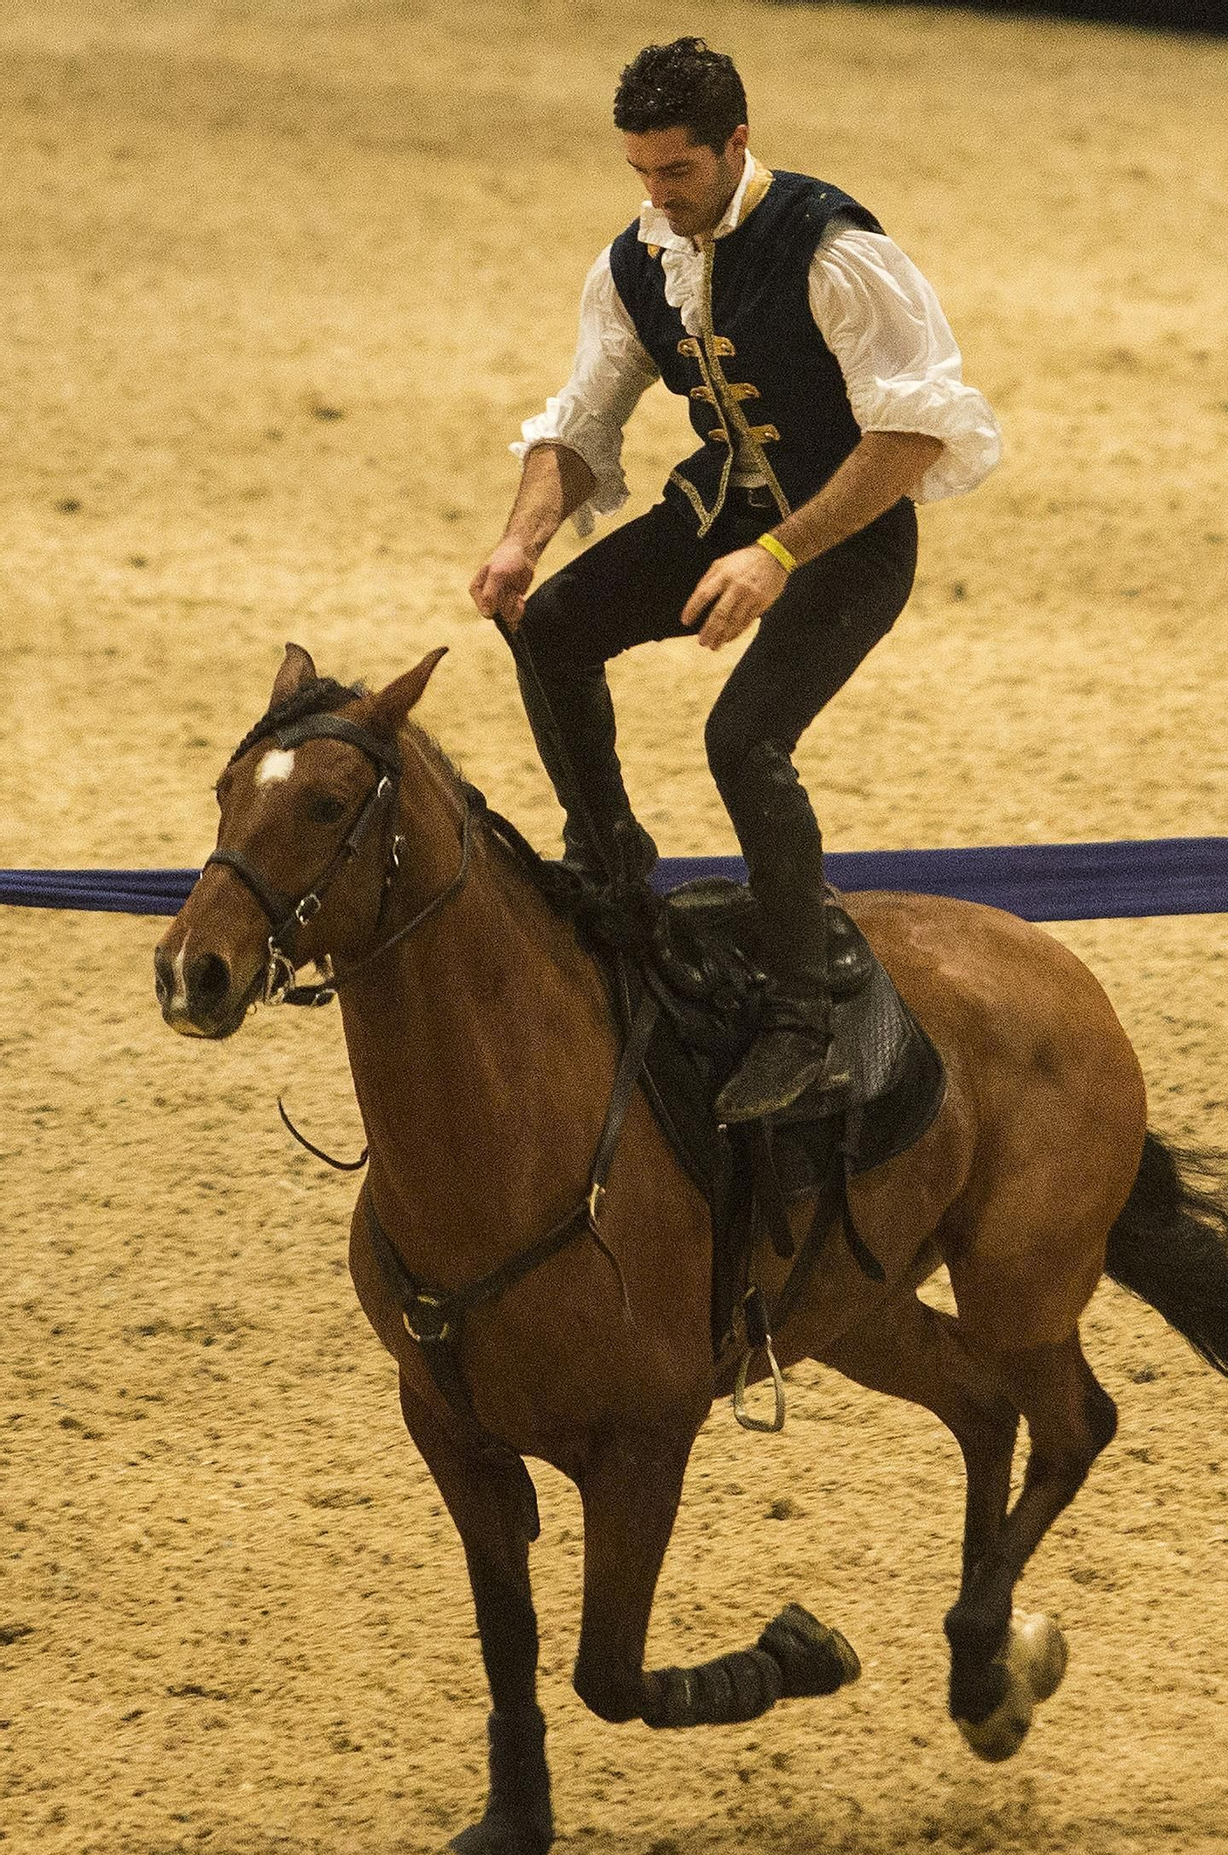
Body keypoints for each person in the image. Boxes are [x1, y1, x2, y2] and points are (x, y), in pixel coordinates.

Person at [471, 37, 1000, 1125]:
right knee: (553, 621)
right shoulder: (636, 259)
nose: (658, 198)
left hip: (847, 533)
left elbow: (909, 436)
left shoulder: (835, 250)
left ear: (736, 143)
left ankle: (802, 1016)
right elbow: (582, 416)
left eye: (678, 172)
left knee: (742, 738)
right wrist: (525, 536)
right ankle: (610, 867)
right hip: (725, 509)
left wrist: (776, 556)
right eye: (641, 175)